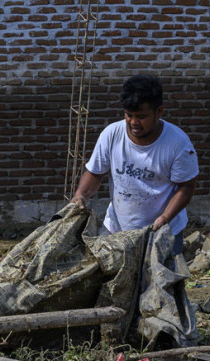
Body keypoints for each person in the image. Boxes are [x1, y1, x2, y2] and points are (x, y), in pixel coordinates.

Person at [71, 74, 199, 254]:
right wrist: (81, 196)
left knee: (161, 281)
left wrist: (165, 217)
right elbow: (95, 173)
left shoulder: (178, 144)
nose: (133, 122)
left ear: (159, 111)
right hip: (116, 230)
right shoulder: (112, 134)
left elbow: (186, 186)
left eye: (141, 116)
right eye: (128, 115)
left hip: (162, 232)